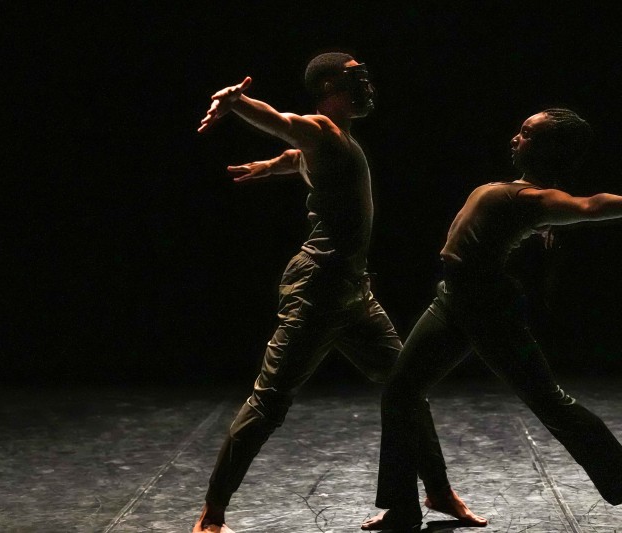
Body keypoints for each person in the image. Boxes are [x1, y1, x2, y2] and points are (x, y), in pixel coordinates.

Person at [191, 53, 484, 533]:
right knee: (269, 403)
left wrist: (269, 167)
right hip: (317, 289)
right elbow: (283, 123)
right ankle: (212, 513)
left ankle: (435, 492)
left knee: (406, 388)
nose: (366, 85)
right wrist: (238, 103)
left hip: (354, 292)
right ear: (329, 86)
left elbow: (298, 156)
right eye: (355, 78)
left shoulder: (336, 140)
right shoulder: (320, 129)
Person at [363, 109, 622, 533]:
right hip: (452, 300)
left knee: (551, 404)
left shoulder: (535, 199)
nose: (515, 137)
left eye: (527, 133)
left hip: (488, 310)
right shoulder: (516, 192)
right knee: (401, 392)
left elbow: (588, 205)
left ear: (547, 149)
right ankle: (413, 503)